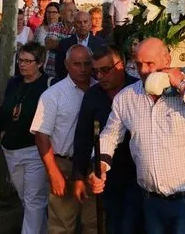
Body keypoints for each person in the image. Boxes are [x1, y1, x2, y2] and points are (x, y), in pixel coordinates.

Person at [90, 38, 185, 233]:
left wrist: (181, 84)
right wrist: (100, 165)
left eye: (150, 64)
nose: (144, 70)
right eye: (138, 64)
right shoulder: (126, 98)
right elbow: (110, 136)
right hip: (150, 199)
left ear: (167, 61)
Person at [73, 45, 141, 234]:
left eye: (105, 70)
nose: (100, 76)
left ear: (121, 65)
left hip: (139, 172)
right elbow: (83, 137)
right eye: (95, 72)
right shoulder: (93, 96)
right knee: (114, 223)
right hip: (108, 174)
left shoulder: (138, 90)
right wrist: (79, 176)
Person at [31, 45, 96, 234]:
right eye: (77, 64)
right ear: (67, 65)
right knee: (61, 225)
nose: (83, 69)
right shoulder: (53, 95)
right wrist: (53, 172)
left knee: (93, 222)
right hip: (64, 165)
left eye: (86, 64)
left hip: (92, 165)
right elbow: (41, 135)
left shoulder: (99, 90)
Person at [0, 42, 50, 234]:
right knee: (26, 198)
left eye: (28, 61)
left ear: (40, 63)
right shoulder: (14, 82)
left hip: (34, 149)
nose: (23, 64)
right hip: (11, 147)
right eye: (20, 60)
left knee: (33, 200)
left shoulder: (48, 85)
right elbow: (5, 110)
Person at [54, 10, 105, 81]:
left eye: (85, 22)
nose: (82, 25)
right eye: (79, 22)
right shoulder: (64, 44)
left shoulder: (100, 43)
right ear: (74, 25)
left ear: (90, 24)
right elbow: (59, 68)